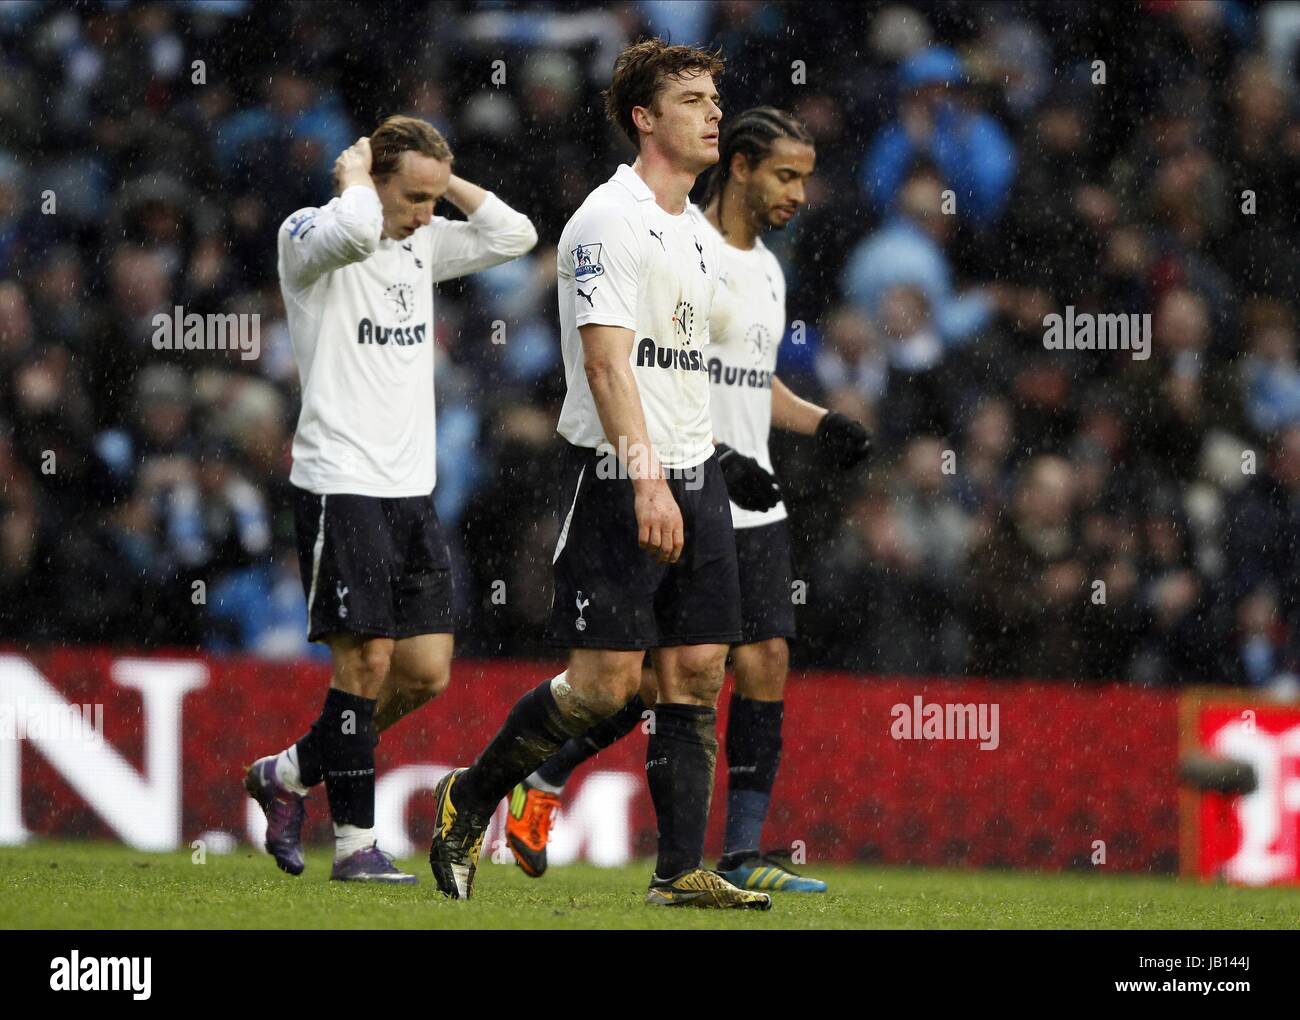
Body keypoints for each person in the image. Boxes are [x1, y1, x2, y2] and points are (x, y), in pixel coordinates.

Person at [427, 39, 772, 908]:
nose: (713, 113)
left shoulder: (694, 231)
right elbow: (611, 365)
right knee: (602, 687)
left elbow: (710, 360)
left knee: (696, 672)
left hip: (700, 477)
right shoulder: (606, 221)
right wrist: (649, 479)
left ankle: (677, 875)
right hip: (625, 477)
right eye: (692, 100)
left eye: (714, 100)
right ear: (644, 118)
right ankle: (469, 797)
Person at [503, 108, 870, 894]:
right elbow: (660, 369)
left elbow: (749, 377)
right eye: (785, 175)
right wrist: (719, 455)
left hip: (754, 501)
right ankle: (540, 782)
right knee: (642, 686)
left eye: (804, 177)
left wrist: (821, 422)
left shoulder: (767, 269)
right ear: (738, 166)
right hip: (684, 482)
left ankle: (737, 855)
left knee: (765, 662)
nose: (798, 194)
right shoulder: (677, 243)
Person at [243, 116, 536, 882]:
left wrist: (442, 180)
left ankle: (292, 772)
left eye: (434, 200)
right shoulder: (310, 236)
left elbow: (515, 235)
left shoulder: (420, 241)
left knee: (425, 672)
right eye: (411, 197)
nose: (425, 215)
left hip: (411, 491)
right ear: (369, 181)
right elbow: (350, 233)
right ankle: (355, 847)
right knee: (366, 660)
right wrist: (353, 181)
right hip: (342, 481)